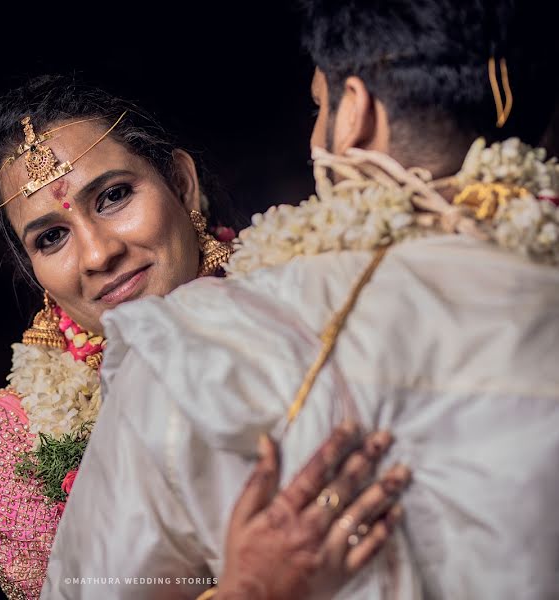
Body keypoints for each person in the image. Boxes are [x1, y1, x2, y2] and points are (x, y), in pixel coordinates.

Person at [43, 1, 559, 599]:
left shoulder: (192, 358)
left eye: (320, 106)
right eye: (52, 236)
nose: (97, 254)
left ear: (355, 116)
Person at [0, 76, 408, 599]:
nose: (98, 254)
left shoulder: (321, 296)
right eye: (52, 237)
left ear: (181, 184)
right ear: (32, 269)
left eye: (113, 196)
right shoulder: (13, 445)